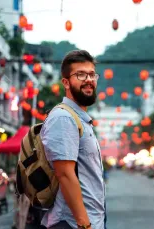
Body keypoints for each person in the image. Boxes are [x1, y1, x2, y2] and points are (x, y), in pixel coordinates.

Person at [40, 50, 106, 229]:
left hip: (90, 220)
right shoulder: (64, 118)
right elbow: (65, 174)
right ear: (66, 82)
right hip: (72, 223)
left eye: (92, 74)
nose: (88, 79)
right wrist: (84, 223)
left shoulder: (81, 119)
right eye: (80, 74)